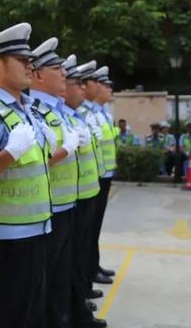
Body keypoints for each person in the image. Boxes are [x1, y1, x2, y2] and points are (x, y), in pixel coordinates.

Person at [0, 23, 52, 328]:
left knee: (33, 314)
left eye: (30, 60)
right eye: (22, 60)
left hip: (38, 229)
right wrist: (10, 154)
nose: (30, 66)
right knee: (9, 316)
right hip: (8, 238)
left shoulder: (26, 111)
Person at [28, 38, 81, 328]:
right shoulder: (37, 111)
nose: (64, 74)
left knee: (62, 272)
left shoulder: (57, 111)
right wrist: (66, 149)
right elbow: (40, 159)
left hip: (64, 201)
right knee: (48, 280)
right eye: (57, 68)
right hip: (47, 207)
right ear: (37, 75)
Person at [62, 55, 106, 328]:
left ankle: (76, 304)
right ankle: (74, 308)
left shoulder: (75, 116)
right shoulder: (58, 116)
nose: (80, 88)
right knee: (66, 263)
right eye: (76, 83)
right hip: (61, 202)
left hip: (83, 192)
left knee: (78, 253)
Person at [76, 64, 115, 289]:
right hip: (91, 180)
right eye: (101, 82)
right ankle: (89, 271)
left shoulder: (100, 113)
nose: (106, 87)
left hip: (102, 174)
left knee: (93, 229)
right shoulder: (84, 113)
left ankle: (93, 266)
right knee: (86, 233)